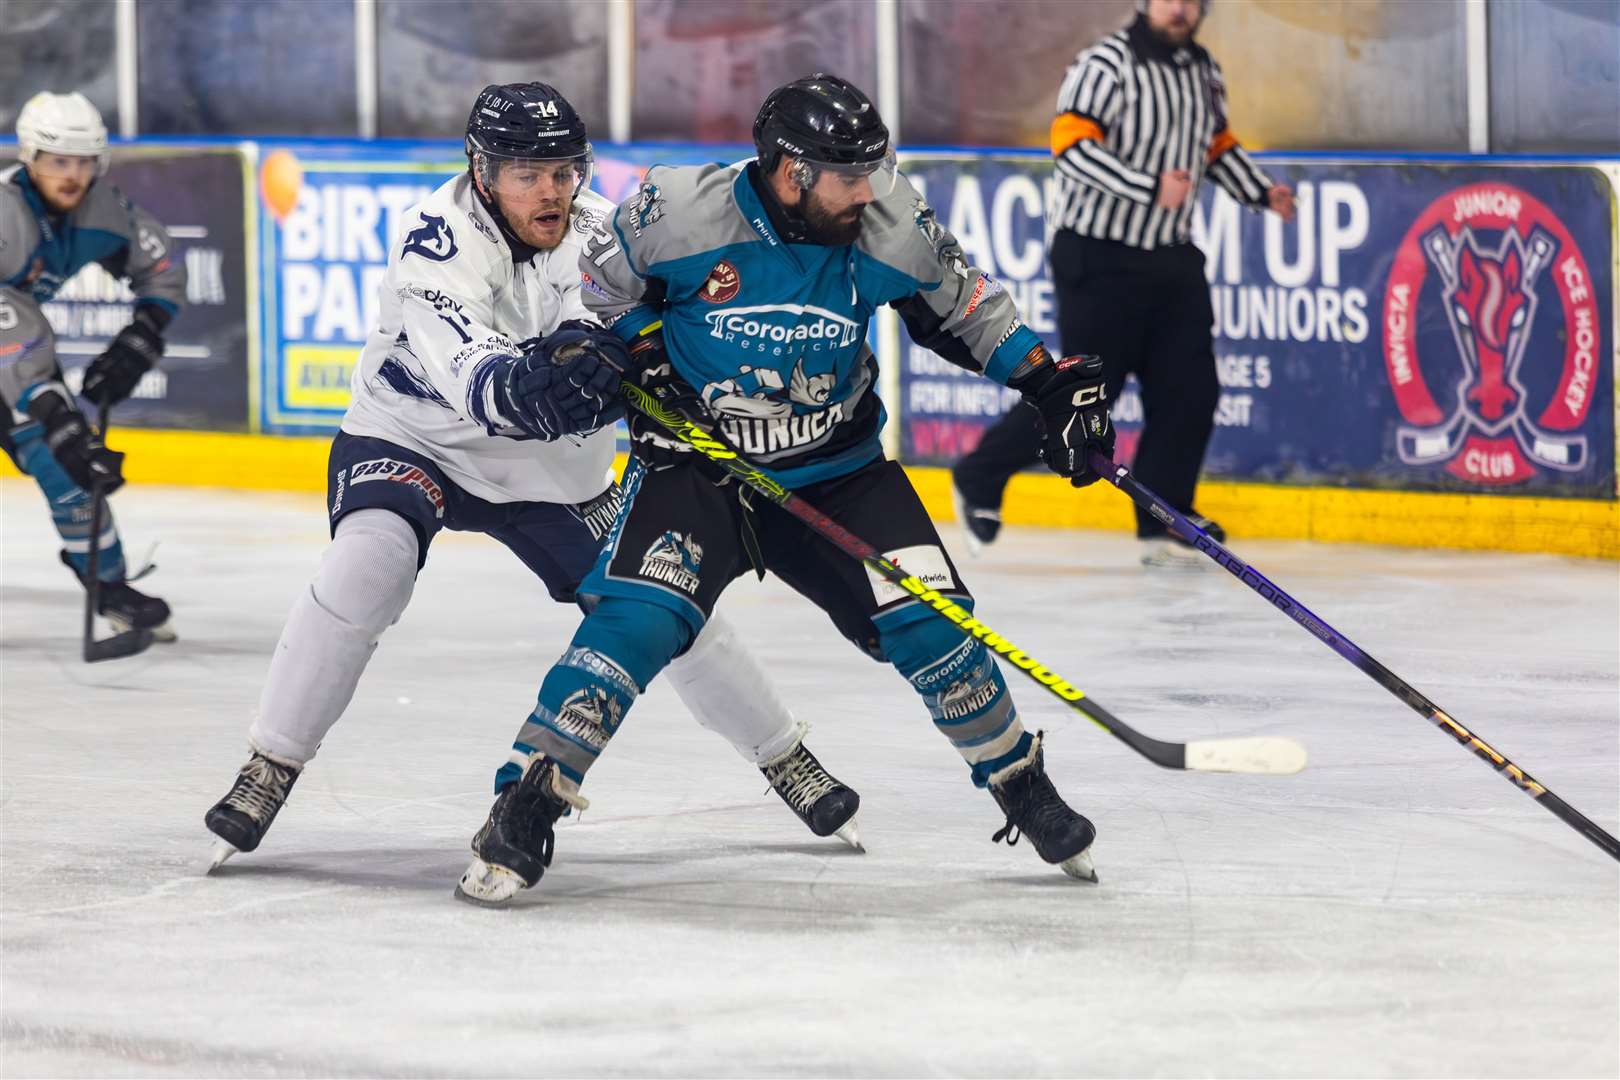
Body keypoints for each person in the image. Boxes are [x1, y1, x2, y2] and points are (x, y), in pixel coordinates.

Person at [456, 73, 1114, 906]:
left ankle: (1021, 783)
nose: (868, 189)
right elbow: (604, 293)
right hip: (700, 473)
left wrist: (1047, 382)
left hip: (836, 475)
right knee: (636, 624)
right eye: (850, 175)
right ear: (792, 172)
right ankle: (525, 799)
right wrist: (644, 353)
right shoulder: (679, 211)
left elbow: (966, 309)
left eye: (874, 170)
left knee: (932, 624)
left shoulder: (889, 222)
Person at [203, 83, 860, 869]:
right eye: (527, 172)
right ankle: (271, 762)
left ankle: (782, 752)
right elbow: (487, 386)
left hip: (554, 473)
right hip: (416, 440)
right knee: (367, 565)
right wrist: (562, 379)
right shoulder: (435, 243)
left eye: (564, 170)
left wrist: (653, 360)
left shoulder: (604, 229)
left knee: (662, 601)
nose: (551, 189)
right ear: (481, 171)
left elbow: (651, 322)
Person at [951, 0, 1296, 566]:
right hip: (1099, 255)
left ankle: (1164, 518)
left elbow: (1214, 146)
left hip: (1172, 256)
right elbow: (1071, 148)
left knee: (1191, 390)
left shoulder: (1203, 70)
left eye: (1190, 0)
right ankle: (979, 475)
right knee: (1090, 393)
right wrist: (1146, 187)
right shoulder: (1105, 65)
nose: (1180, 9)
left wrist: (1260, 192)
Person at [0, 91, 184, 637]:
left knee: (71, 468)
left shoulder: (102, 209)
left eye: (84, 162)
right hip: (14, 349)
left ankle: (109, 588)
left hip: (16, 353)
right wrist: (53, 412)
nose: (72, 175)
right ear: (29, 158)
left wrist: (141, 336)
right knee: (60, 436)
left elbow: (162, 264)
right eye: (59, 161)